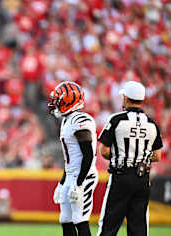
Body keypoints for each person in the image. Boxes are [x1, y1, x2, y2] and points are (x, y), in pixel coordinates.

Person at [97, 81, 163, 236]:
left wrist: (123, 157)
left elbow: (104, 151)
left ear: (126, 98)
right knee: (138, 228)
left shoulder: (117, 119)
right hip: (142, 179)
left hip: (121, 177)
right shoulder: (152, 124)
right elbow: (157, 156)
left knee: (109, 225)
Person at [48, 81, 98, 236]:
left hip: (84, 174)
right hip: (71, 174)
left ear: (68, 100)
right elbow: (70, 159)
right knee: (65, 219)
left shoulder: (80, 120)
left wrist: (79, 183)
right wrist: (62, 182)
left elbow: (88, 155)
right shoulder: (66, 120)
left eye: (58, 100)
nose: (54, 104)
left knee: (80, 219)